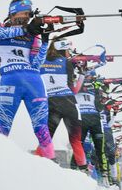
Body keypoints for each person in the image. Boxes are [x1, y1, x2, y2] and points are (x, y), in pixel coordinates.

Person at [0, 0, 54, 159]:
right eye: (24, 13)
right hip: (9, 80)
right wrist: (28, 29)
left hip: (33, 82)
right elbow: (0, 33)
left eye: (29, 15)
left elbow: (36, 64)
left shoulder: (32, 36)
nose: (26, 17)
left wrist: (45, 42)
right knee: (2, 129)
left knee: (42, 129)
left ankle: (52, 167)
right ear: (13, 12)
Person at [37, 38, 87, 169]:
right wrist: (82, 75)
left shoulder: (40, 60)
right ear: (63, 49)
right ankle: (83, 169)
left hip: (51, 103)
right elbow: (74, 90)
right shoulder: (67, 63)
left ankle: (36, 163)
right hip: (69, 102)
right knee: (76, 140)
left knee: (45, 139)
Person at [72, 74, 110, 185]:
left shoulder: (94, 90)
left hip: (95, 120)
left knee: (100, 149)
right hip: (82, 119)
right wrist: (85, 81)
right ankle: (73, 169)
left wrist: (97, 90)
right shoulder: (77, 87)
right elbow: (75, 87)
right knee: (79, 145)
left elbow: (99, 108)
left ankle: (104, 174)